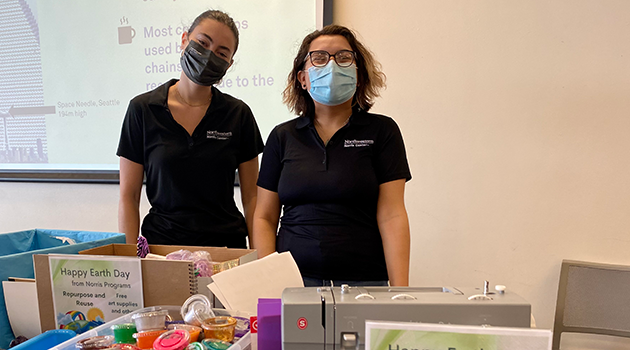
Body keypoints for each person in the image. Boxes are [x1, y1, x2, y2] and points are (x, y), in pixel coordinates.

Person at [252, 25, 412, 286]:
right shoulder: (282, 136)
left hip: (365, 283)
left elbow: (392, 215)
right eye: (319, 58)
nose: (332, 65)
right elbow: (264, 217)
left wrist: (400, 293)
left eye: (344, 57)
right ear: (302, 78)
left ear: (358, 75)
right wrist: (269, 283)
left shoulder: (382, 131)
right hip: (293, 284)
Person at [117, 10, 263, 248]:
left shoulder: (238, 114)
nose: (208, 55)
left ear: (229, 63)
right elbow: (129, 197)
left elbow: (252, 197)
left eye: (221, 52)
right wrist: (129, 261)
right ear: (184, 39)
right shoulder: (142, 109)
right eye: (203, 43)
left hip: (226, 249)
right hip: (162, 249)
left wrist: (259, 261)